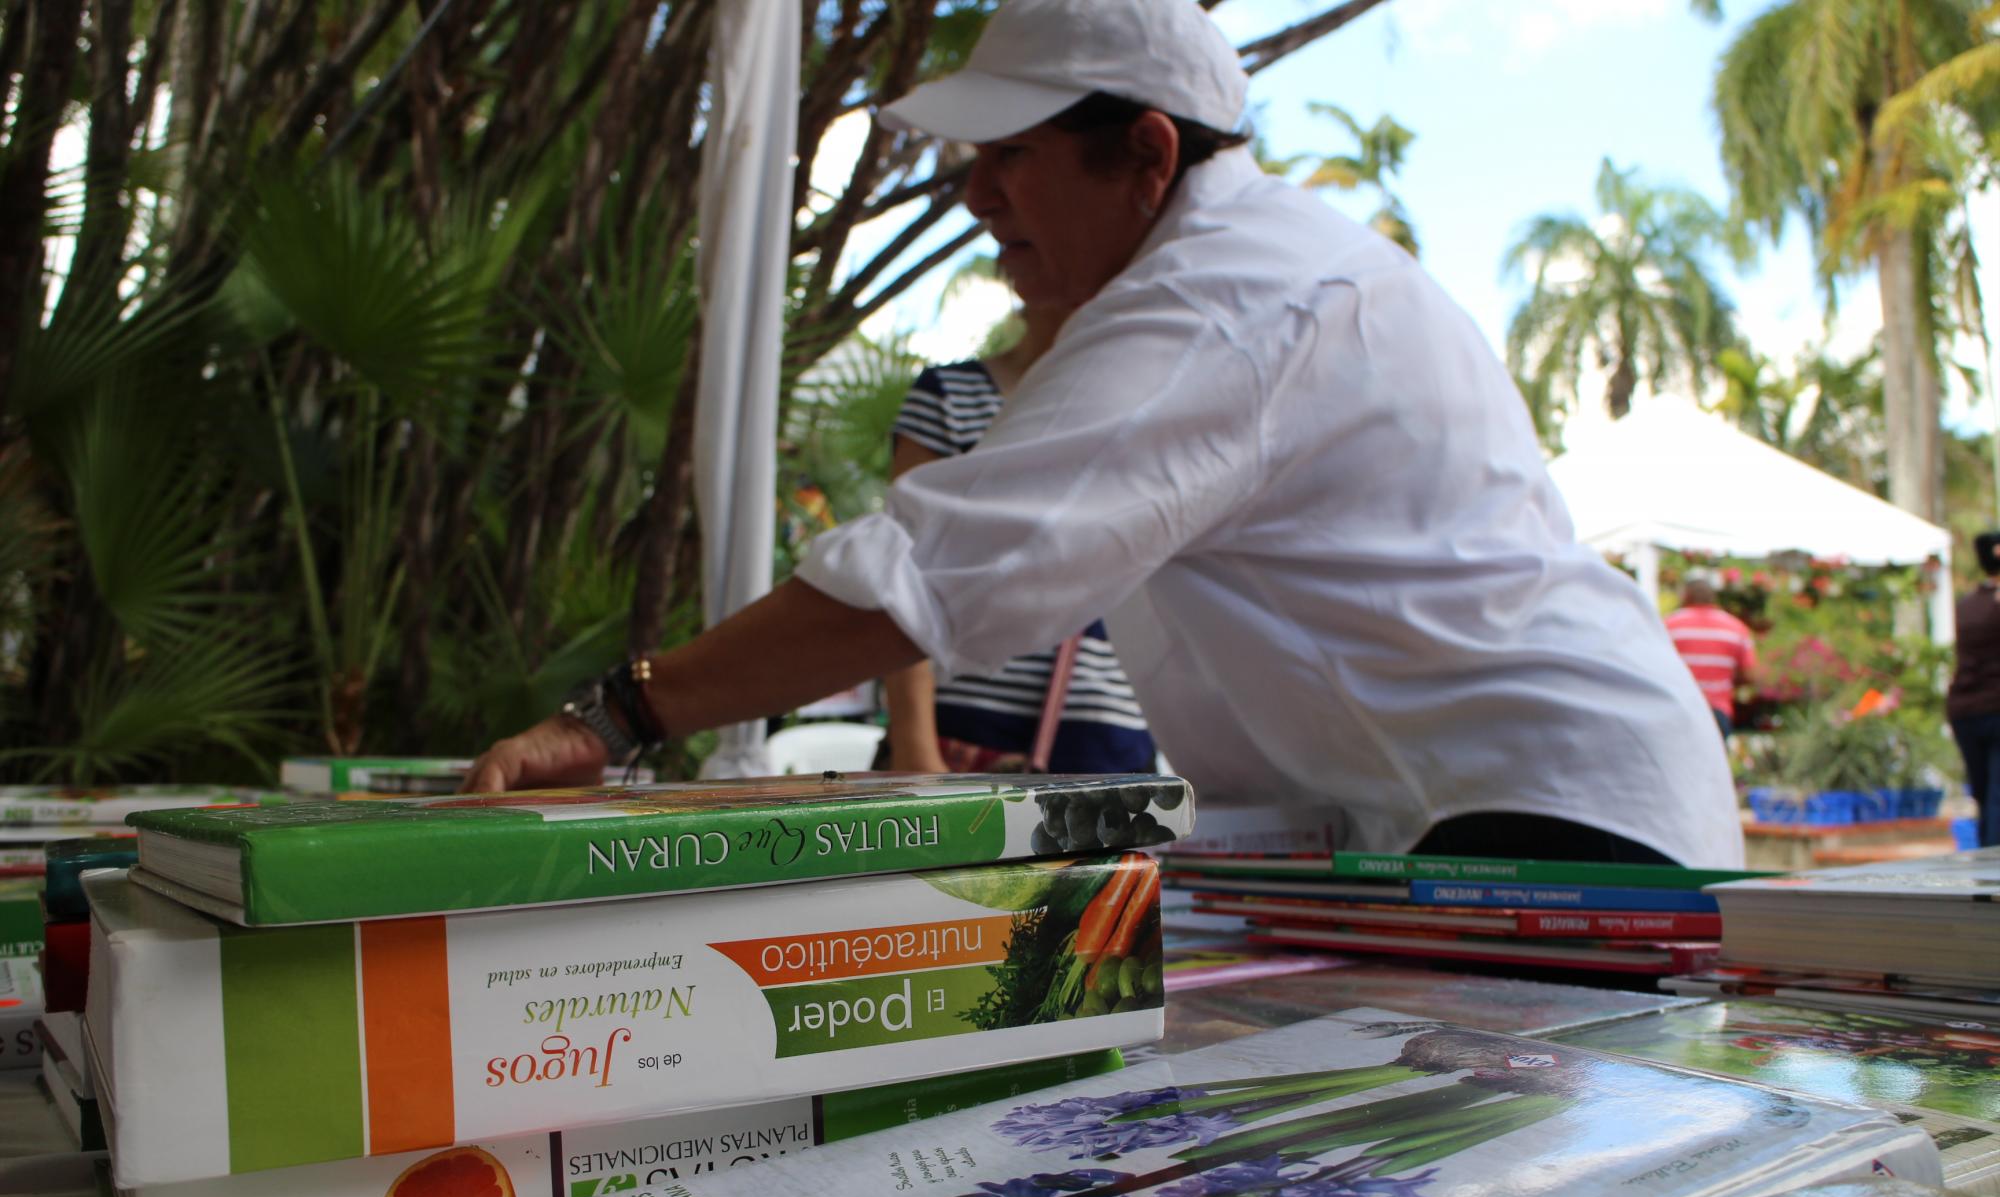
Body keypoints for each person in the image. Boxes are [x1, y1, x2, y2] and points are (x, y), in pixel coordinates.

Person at [467, 0, 1741, 869]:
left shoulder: (1224, 301)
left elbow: (927, 575)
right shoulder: (1226, 281)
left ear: (1145, 152)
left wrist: (625, 717)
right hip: (1461, 810)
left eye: (1010, 155)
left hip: (1548, 817)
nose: (974, 198)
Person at [881, 302, 1156, 775]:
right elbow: (899, 574)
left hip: (1115, 735)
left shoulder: (1152, 403)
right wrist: (914, 746)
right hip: (962, 730)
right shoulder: (953, 396)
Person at [1948, 532, 2000, 846]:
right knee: (1996, 797)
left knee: (1983, 795)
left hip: (1964, 711)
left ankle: (1985, 875)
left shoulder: (1966, 605)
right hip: (1995, 709)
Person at [1665, 577, 1757, 737]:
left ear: (1686, 596)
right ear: (1713, 597)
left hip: (1677, 708)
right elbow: (1749, 675)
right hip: (1717, 710)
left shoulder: (1668, 626)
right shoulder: (1736, 629)